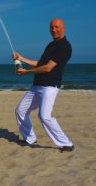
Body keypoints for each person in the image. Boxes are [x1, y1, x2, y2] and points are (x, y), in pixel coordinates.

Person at [13, 18, 74, 152]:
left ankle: (66, 144)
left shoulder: (65, 46)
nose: (54, 30)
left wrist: (26, 72)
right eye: (52, 27)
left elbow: (48, 68)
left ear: (63, 28)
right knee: (20, 111)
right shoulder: (51, 45)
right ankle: (30, 138)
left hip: (49, 86)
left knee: (44, 116)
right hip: (37, 85)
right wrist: (21, 58)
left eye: (57, 27)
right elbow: (39, 63)